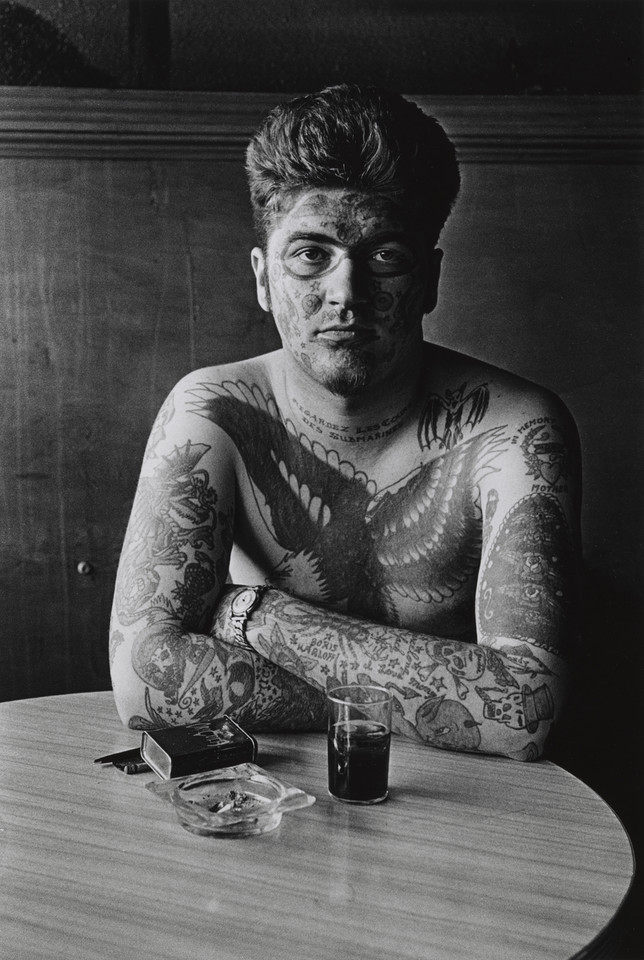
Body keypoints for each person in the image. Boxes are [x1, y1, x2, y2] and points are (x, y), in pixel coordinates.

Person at [110, 84, 581, 761]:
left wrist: (252, 616)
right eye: (310, 255)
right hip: (277, 796)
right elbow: (143, 685)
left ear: (429, 280)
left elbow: (527, 712)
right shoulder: (211, 412)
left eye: (385, 256)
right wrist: (425, 699)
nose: (346, 294)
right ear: (264, 277)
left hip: (468, 806)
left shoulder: (513, 431)